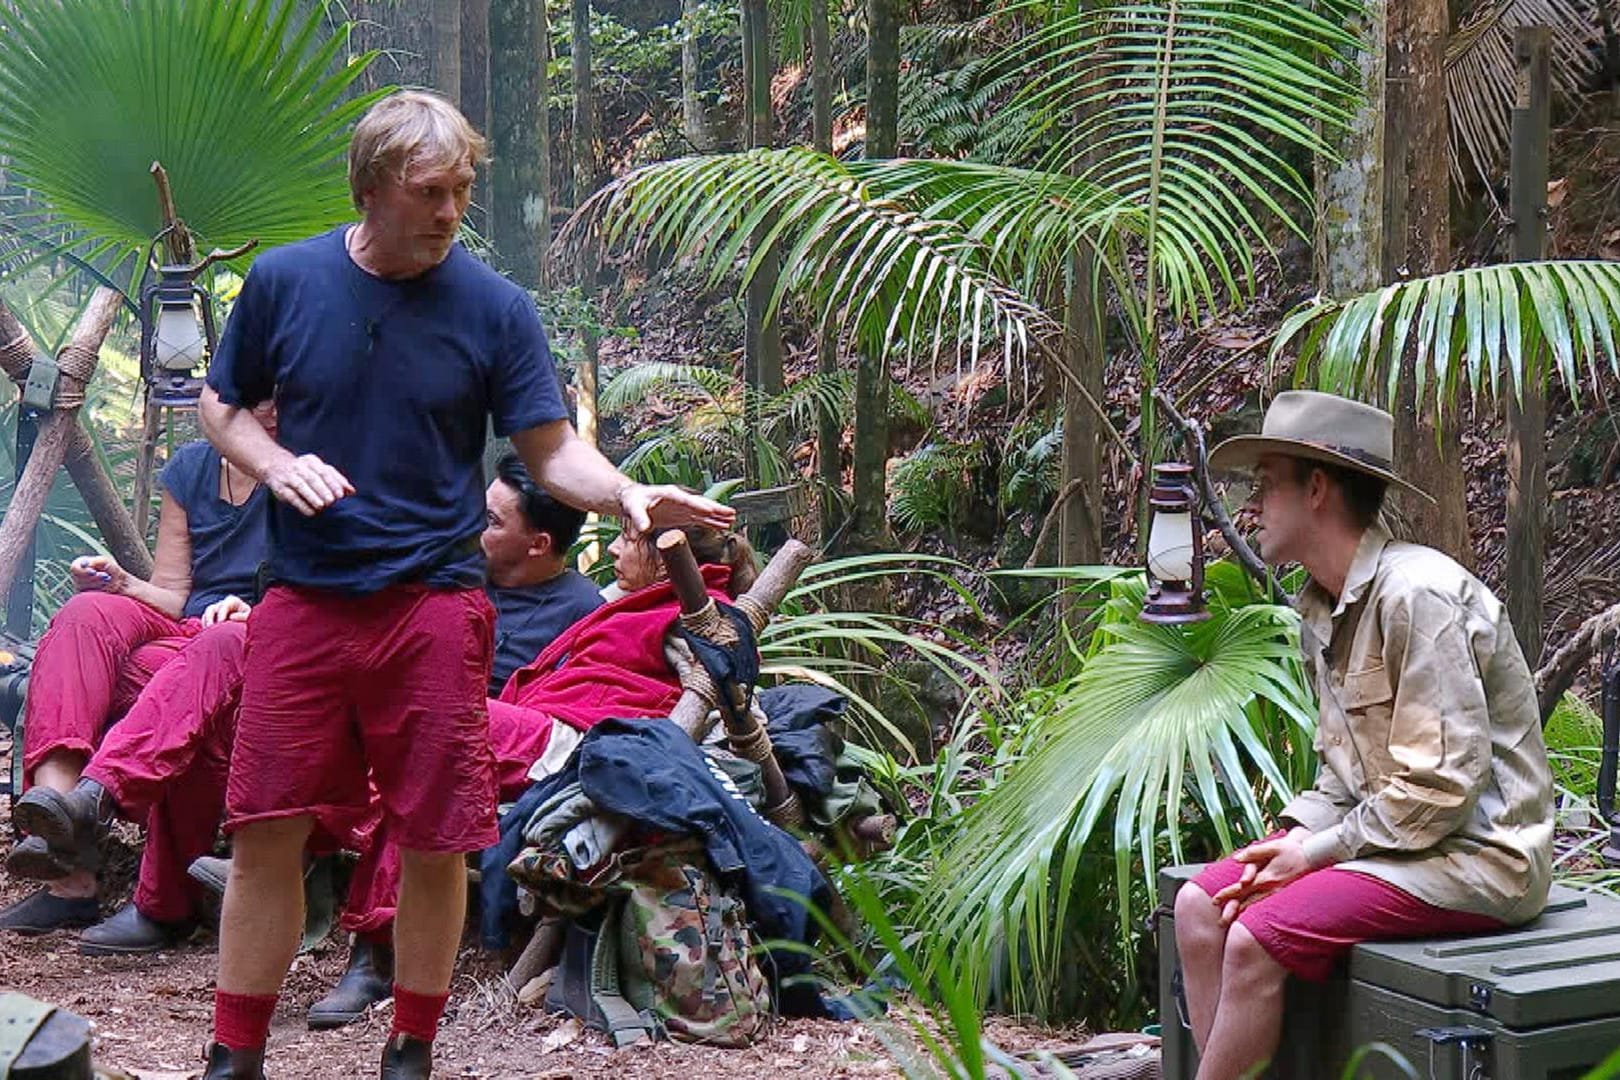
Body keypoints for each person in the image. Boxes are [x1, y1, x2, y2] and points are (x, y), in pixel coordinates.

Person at [195, 90, 731, 1080]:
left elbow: (550, 449)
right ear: (371, 190)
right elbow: (220, 407)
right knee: (267, 828)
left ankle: (412, 1048)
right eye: (430, 192)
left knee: (435, 838)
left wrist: (626, 493)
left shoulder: (493, 307)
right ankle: (235, 1056)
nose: (450, 211)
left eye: (462, 191)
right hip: (304, 599)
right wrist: (272, 464)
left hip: (433, 605)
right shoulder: (284, 282)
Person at [4, 452, 605, 958]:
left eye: (492, 520)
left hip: (426, 729)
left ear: (538, 544)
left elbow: (539, 713)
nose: (474, 527)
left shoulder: (578, 613)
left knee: (228, 672)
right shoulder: (450, 570)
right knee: (141, 641)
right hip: (308, 682)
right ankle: (81, 814)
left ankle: (182, 876)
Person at [1173, 390, 1554, 1080]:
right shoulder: (1321, 606)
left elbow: (1441, 789)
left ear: (1317, 489)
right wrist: (1295, 837)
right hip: (1395, 845)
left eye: (1266, 486)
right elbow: (1341, 780)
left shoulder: (1419, 597)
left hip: (1477, 859)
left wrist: (1319, 854)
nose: (1251, 507)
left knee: (1255, 937)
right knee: (1201, 908)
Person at [315, 522, 757, 1028]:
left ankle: (336, 880)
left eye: (627, 541)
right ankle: (329, 873)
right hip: (551, 724)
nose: (612, 547)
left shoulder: (702, 613)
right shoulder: (641, 599)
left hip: (583, 743)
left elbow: (726, 687)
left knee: (432, 722)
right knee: (403, 731)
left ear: (665, 558)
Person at [0, 402, 274, 935]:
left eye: (279, 390)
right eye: (253, 389)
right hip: (186, 638)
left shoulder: (306, 471)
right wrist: (121, 582)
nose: (267, 403)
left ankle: (104, 816)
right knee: (84, 613)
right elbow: (174, 595)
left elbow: (332, 598)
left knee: (213, 653)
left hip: (263, 645)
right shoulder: (191, 471)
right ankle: (60, 832)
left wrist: (256, 613)